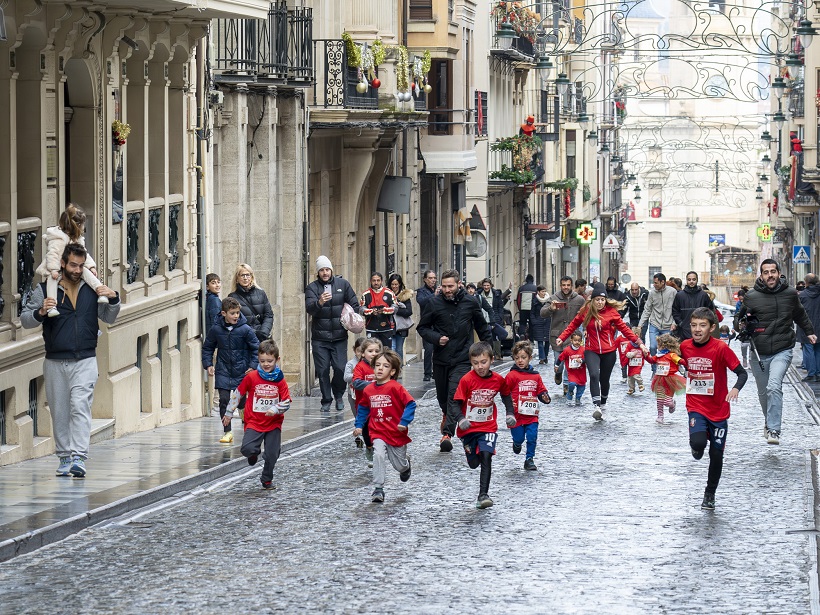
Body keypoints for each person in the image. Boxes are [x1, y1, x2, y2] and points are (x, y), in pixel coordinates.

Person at [21, 243, 121, 478]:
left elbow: (108, 318)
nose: (77, 270)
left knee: (80, 405)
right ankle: (64, 456)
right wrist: (40, 313)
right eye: (73, 265)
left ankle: (79, 456)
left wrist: (114, 298)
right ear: (63, 264)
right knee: (60, 410)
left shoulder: (91, 288)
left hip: (85, 358)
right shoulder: (46, 289)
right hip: (55, 360)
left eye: (81, 265)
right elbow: (26, 320)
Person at [735, 259, 815, 445]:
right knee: (764, 393)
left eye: (773, 271)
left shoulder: (789, 294)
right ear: (761, 275)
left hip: (783, 349)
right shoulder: (751, 296)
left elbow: (800, 314)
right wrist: (743, 325)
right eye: (766, 272)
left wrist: (809, 332)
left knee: (773, 386)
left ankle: (774, 430)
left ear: (779, 273)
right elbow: (739, 322)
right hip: (758, 351)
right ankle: (768, 422)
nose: (770, 275)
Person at [417, 269, 493, 452]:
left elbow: (482, 327)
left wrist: (487, 353)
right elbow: (423, 328)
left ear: (459, 284)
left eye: (450, 286)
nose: (447, 289)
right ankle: (446, 414)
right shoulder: (434, 303)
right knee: (443, 397)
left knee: (453, 395)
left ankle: (447, 434)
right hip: (441, 358)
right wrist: (436, 338)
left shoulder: (471, 302)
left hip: (463, 357)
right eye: (444, 286)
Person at [681, 307, 748, 510]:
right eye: (694, 325)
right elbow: (675, 362)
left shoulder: (720, 348)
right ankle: (696, 446)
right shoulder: (684, 346)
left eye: (702, 326)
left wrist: (735, 389)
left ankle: (710, 494)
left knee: (717, 455)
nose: (697, 330)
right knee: (699, 443)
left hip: (719, 409)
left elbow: (742, 373)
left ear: (712, 328)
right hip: (696, 405)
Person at [556, 283, 647, 420]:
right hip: (591, 350)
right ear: (592, 300)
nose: (599, 302)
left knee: (604, 380)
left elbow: (625, 330)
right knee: (594, 375)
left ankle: (603, 403)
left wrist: (639, 343)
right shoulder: (585, 311)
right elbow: (573, 324)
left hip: (609, 351)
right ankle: (596, 406)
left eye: (602, 300)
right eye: (597, 299)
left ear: (605, 300)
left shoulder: (611, 312)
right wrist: (562, 338)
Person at [222, 339, 291, 490]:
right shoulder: (251, 377)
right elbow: (238, 394)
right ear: (258, 359)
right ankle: (254, 454)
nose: (266, 364)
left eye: (270, 361)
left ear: (277, 360)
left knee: (273, 454)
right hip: (254, 421)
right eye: (262, 361)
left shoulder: (280, 380)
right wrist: (229, 412)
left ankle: (267, 479)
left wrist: (275, 409)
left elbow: (286, 402)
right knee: (246, 449)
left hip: (273, 423)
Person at [453, 341, 514, 509]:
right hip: (468, 429)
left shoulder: (498, 379)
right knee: (474, 463)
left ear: (491, 360)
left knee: (487, 455)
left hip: (488, 427)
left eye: (483, 362)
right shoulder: (466, 380)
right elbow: (454, 403)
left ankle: (483, 495)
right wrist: (460, 419)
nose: (480, 366)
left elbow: (506, 394)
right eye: (475, 363)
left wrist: (510, 413)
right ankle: (471, 451)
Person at [353, 349, 415, 503]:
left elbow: (410, 404)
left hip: (395, 432)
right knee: (378, 455)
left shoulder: (396, 387)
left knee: (399, 466)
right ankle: (378, 489)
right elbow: (363, 408)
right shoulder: (368, 389)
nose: (380, 368)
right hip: (377, 431)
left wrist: (404, 422)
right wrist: (359, 425)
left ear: (392, 371)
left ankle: (406, 465)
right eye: (377, 365)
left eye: (385, 366)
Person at [202, 297, 260, 443]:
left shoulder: (245, 329)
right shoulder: (216, 329)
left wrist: (252, 366)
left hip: (242, 370)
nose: (236, 316)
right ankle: (227, 431)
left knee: (240, 401)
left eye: (238, 313)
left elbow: (256, 348)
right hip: (223, 369)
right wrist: (208, 364)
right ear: (223, 313)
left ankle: (242, 411)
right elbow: (208, 347)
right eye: (232, 313)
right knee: (224, 400)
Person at [305, 256, 359, 412]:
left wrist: (349, 316)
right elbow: (310, 308)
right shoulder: (312, 288)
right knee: (322, 370)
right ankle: (326, 400)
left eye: (327, 269)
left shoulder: (343, 284)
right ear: (318, 272)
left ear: (331, 270)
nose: (325, 273)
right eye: (321, 270)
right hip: (320, 338)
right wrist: (319, 302)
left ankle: (338, 394)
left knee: (340, 368)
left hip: (339, 336)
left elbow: (354, 304)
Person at [35, 203, 107, 318]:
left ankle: (100, 290)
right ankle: (52, 306)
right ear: (78, 225)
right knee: (51, 281)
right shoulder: (58, 238)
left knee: (88, 274)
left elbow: (83, 254)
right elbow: (52, 254)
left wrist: (91, 266)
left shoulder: (77, 239)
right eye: (83, 225)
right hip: (57, 267)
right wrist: (53, 269)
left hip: (72, 266)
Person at [505, 341, 551, 471]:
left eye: (523, 358)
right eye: (517, 358)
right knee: (519, 438)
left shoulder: (535, 376)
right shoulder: (511, 375)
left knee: (532, 437)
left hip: (531, 415)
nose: (520, 360)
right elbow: (504, 392)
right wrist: (509, 403)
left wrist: (545, 397)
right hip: (516, 416)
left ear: (530, 358)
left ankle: (529, 459)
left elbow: (541, 390)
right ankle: (517, 443)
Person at [544, 276, 585, 388]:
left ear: (571, 286)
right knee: (559, 363)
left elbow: (586, 316)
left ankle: (567, 384)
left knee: (570, 362)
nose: (566, 287)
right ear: (560, 286)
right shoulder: (554, 298)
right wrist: (551, 308)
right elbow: (542, 313)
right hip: (557, 336)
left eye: (568, 285)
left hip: (573, 336)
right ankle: (558, 373)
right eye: (563, 285)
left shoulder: (579, 300)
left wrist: (585, 329)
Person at [352, 338, 383, 466]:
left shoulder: (382, 365)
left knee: (380, 428)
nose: (374, 353)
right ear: (363, 353)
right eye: (370, 351)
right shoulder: (360, 367)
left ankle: (379, 451)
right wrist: (372, 385)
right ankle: (369, 447)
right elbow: (356, 382)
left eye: (377, 351)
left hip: (380, 405)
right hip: (364, 405)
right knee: (366, 431)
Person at [646, 334, 686, 424]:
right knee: (659, 399)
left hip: (670, 380)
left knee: (667, 401)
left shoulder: (672, 355)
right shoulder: (658, 355)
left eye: (659, 344)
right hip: (659, 379)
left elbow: (680, 361)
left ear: (664, 345)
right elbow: (651, 360)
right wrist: (646, 355)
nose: (657, 346)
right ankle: (660, 416)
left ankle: (672, 403)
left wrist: (687, 361)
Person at [638, 272, 677, 364]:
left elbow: (677, 309)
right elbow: (647, 310)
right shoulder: (652, 293)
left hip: (668, 325)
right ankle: (654, 370)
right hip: (654, 324)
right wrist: (640, 325)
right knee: (652, 347)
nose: (654, 285)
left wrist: (674, 323)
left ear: (662, 282)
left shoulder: (672, 292)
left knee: (666, 350)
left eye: (656, 283)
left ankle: (665, 368)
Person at [672, 271, 715, 341]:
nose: (691, 281)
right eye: (689, 280)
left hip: (701, 330)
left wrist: (705, 325)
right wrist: (681, 323)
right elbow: (675, 311)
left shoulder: (703, 295)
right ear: (686, 280)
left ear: (697, 280)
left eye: (694, 279)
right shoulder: (680, 295)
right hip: (684, 330)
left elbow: (710, 311)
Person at [361, 272, 396, 347]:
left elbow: (395, 307)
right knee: (372, 352)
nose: (376, 283)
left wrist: (385, 310)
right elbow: (361, 309)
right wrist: (371, 311)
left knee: (386, 352)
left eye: (378, 280)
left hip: (386, 328)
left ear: (381, 281)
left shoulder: (389, 293)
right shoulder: (366, 294)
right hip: (371, 328)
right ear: (370, 281)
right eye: (374, 280)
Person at [344, 336, 367, 447]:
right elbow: (346, 377)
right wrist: (357, 375)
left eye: (363, 351)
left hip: (367, 395)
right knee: (358, 416)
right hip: (353, 395)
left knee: (366, 416)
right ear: (355, 350)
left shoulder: (371, 364)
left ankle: (367, 436)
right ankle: (360, 436)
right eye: (358, 351)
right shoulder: (351, 364)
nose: (360, 354)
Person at [480, 278, 511, 358]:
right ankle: (488, 353)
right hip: (483, 318)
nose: (486, 287)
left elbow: (500, 307)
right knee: (486, 336)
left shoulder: (496, 294)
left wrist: (500, 316)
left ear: (491, 285)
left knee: (496, 336)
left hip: (494, 317)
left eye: (487, 285)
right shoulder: (479, 294)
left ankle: (497, 353)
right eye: (484, 285)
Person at [416, 270, 438, 382]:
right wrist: (433, 295)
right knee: (428, 350)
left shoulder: (440, 289)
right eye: (430, 278)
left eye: (434, 278)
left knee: (438, 349)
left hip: (439, 323)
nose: (433, 280)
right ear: (425, 279)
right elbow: (421, 302)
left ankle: (437, 371)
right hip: (427, 324)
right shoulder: (421, 291)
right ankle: (427, 373)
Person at [798, 273, 820, 382]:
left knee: (809, 350)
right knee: (818, 350)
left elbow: (797, 311)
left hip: (807, 327)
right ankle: (818, 373)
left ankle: (811, 373)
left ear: (806, 282)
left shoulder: (802, 295)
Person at [388, 274, 414, 363]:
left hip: (401, 328)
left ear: (399, 284)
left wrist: (396, 310)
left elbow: (409, 312)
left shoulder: (404, 296)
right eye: (392, 284)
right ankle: (392, 367)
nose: (394, 286)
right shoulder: (387, 295)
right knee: (392, 348)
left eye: (396, 284)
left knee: (398, 349)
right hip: (389, 326)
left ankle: (398, 368)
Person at [558, 331, 587, 405]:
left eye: (579, 341)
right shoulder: (567, 350)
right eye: (575, 340)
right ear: (571, 340)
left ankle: (578, 398)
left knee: (581, 387)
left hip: (581, 373)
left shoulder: (584, 350)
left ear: (581, 341)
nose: (577, 342)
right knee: (572, 384)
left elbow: (588, 358)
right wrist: (556, 365)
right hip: (572, 373)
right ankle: (570, 392)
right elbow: (561, 357)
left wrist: (581, 360)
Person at [529, 285, 551, 364]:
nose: (544, 293)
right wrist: (534, 321)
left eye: (545, 291)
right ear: (538, 292)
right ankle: (542, 358)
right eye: (542, 291)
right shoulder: (535, 301)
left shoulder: (549, 300)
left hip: (547, 322)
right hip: (538, 323)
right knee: (540, 341)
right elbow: (532, 313)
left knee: (547, 341)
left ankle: (546, 356)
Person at [622, 326, 646, 396]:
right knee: (630, 377)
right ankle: (631, 388)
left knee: (636, 374)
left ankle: (640, 384)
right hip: (631, 363)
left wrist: (646, 354)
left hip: (638, 363)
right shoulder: (629, 344)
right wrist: (632, 354)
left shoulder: (641, 345)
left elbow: (645, 352)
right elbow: (626, 353)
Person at [516, 274, 537, 339]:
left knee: (522, 322)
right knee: (531, 323)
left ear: (526, 280)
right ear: (532, 280)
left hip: (523, 308)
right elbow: (536, 299)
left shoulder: (521, 288)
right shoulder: (535, 288)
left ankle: (522, 334)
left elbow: (518, 299)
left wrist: (520, 308)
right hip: (532, 309)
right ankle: (531, 338)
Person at [735, 287, 750, 368]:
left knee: (751, 344)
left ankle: (751, 360)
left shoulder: (750, 302)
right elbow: (736, 314)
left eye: (742, 299)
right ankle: (744, 357)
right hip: (742, 326)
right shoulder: (738, 304)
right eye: (740, 299)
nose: (741, 301)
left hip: (750, 325)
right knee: (743, 344)